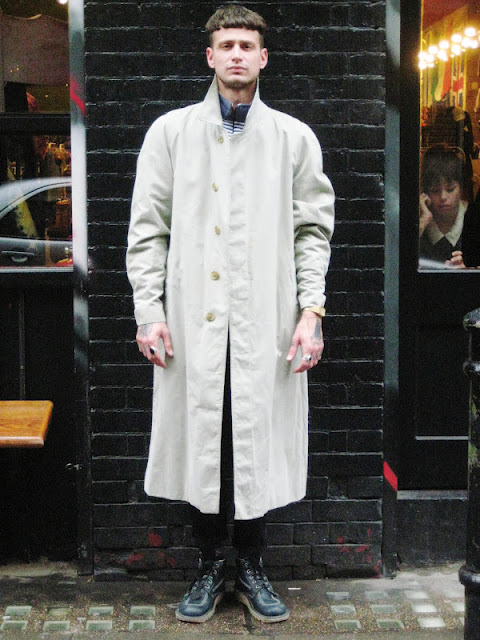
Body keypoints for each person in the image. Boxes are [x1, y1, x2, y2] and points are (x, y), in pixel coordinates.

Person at [126, 4, 335, 624]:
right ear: (210, 56)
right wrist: (149, 310)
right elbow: (147, 230)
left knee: (254, 439)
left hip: (266, 322)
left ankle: (251, 563)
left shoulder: (294, 139)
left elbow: (313, 231)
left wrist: (311, 311)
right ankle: (209, 562)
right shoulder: (171, 134)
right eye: (227, 45)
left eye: (247, 45)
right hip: (192, 320)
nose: (237, 54)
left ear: (263, 57)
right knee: (205, 440)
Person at [419, 143, 480, 268]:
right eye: (435, 190)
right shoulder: (420, 220)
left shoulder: (475, 217)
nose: (443, 197)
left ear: (461, 188)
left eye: (450, 189)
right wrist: (422, 222)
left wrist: (469, 271)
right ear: (425, 192)